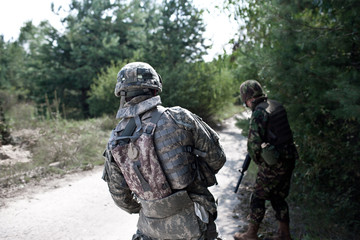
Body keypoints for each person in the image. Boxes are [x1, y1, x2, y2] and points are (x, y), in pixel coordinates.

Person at [102, 62, 226, 240]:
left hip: (150, 227)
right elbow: (217, 159)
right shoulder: (180, 117)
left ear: (122, 94)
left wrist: (152, 205)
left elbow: (121, 198)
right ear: (154, 89)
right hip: (194, 221)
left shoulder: (115, 139)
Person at [233, 80, 298, 240]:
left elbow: (253, 145)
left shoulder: (259, 112)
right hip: (289, 157)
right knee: (278, 196)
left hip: (275, 162)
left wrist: (261, 163)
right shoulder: (275, 105)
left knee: (258, 196)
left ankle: (251, 234)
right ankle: (284, 234)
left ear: (248, 98)